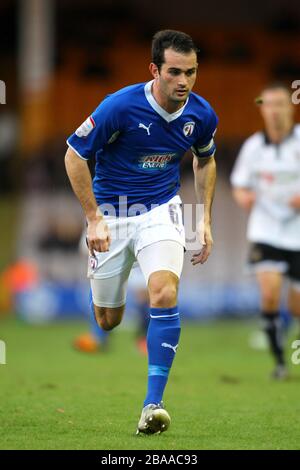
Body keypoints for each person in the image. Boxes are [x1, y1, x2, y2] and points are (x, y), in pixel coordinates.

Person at [65, 30, 217, 434]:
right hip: (112, 215)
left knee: (164, 291)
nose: (184, 81)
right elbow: (74, 156)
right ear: (155, 70)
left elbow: (205, 160)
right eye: (174, 72)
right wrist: (93, 218)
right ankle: (110, 304)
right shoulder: (119, 106)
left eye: (191, 72)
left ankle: (153, 404)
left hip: (160, 210)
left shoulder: (201, 115)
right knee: (107, 320)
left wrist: (203, 218)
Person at [231, 83, 300, 379]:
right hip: (266, 230)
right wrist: (243, 197)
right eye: (268, 104)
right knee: (269, 295)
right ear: (262, 109)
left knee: (296, 304)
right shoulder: (253, 147)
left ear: (291, 107)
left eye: (280, 104)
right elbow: (239, 184)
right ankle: (281, 363)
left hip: (297, 232)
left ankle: (290, 338)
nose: (274, 110)